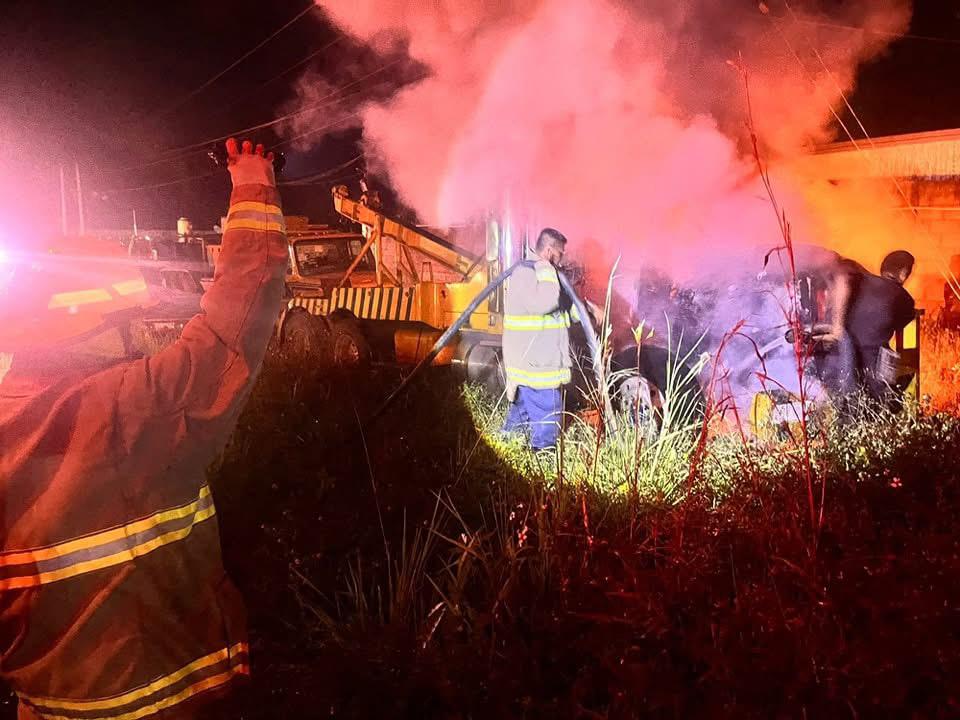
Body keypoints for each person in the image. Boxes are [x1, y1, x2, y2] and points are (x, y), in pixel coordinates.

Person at [0, 138, 287, 719]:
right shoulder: (126, 405)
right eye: (128, 323)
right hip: (165, 699)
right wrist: (254, 181)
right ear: (91, 325)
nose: (137, 339)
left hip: (48, 706)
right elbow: (238, 316)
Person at [501, 227, 581, 450]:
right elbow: (543, 304)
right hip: (535, 365)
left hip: (534, 362)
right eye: (560, 254)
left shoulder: (537, 274)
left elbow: (555, 317)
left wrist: (587, 314)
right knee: (548, 410)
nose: (561, 260)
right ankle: (543, 454)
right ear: (548, 251)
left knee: (524, 408)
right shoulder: (527, 272)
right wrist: (547, 269)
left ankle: (506, 441)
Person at [820, 249, 916, 403]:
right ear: (904, 273)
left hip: (833, 363)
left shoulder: (860, 280)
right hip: (871, 369)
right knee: (901, 376)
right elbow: (902, 324)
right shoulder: (904, 299)